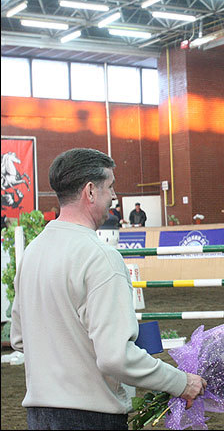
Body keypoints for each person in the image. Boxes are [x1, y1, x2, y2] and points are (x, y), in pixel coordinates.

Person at [11, 148, 206, 430]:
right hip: (90, 417)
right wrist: (181, 382)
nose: (114, 197)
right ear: (90, 191)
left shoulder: (32, 252)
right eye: (110, 187)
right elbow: (116, 357)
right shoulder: (101, 257)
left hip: (39, 417)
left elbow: (20, 338)